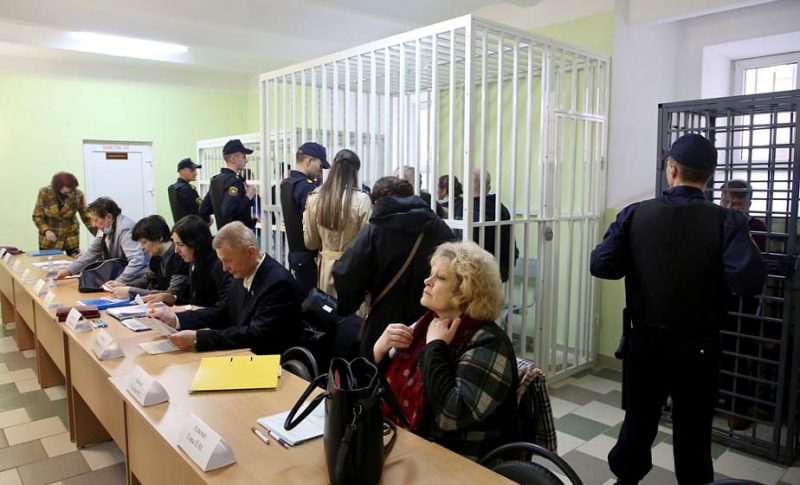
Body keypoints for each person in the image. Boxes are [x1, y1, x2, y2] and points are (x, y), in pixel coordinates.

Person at [590, 134, 766, 484]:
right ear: (710, 177)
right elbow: (748, 282)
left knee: (638, 422)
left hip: (645, 344)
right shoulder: (727, 222)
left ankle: (626, 479)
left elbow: (602, 265)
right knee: (694, 431)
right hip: (699, 348)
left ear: (672, 170)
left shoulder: (635, 214)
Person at [373, 241, 520, 461]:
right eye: (431, 274)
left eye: (440, 278)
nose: (427, 281)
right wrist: (378, 352)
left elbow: (452, 415)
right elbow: (376, 390)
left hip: (458, 462)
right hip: (404, 444)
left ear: (466, 292)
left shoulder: (489, 343)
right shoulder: (428, 324)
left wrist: (434, 349)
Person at [333, 176, 454, 355]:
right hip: (431, 320)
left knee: (377, 365)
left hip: (384, 318)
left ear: (377, 201)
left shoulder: (375, 230)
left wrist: (350, 304)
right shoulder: (438, 227)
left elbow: (347, 274)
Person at [151, 221, 304, 354]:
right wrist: (175, 319)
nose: (224, 268)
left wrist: (198, 338)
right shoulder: (243, 272)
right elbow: (222, 313)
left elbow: (256, 334)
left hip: (270, 360)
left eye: (228, 260)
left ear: (250, 252)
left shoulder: (278, 283)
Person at [718, 179, 769, 430]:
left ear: (748, 204)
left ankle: (738, 407)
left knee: (737, 354)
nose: (730, 207)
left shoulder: (756, 226)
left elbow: (752, 266)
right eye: (726, 202)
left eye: (736, 204)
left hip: (743, 302)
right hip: (715, 298)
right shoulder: (714, 222)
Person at [303, 149, 371, 296]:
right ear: (355, 172)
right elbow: (367, 244)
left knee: (327, 307)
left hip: (326, 269)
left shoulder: (315, 198)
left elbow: (311, 243)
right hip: (353, 268)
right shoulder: (362, 199)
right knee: (353, 309)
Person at [55, 197, 149, 284]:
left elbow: (137, 260)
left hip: (136, 278)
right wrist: (68, 270)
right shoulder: (105, 228)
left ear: (109, 217)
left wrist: (119, 281)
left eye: (96, 220)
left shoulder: (125, 229)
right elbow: (92, 252)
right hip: (120, 275)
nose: (93, 224)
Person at [143, 215, 231, 307]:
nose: (176, 251)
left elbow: (217, 310)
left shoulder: (218, 267)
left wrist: (184, 310)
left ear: (195, 243)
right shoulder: (194, 263)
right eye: (175, 244)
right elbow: (195, 303)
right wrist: (173, 298)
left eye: (181, 245)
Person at [452, 170, 519, 282]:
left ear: (465, 187)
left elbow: (457, 246)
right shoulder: (500, 209)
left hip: (471, 273)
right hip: (499, 269)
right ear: (489, 188)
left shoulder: (463, 210)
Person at [280, 142, 329, 294]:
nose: (321, 171)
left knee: (303, 295)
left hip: (295, 252)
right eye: (320, 165)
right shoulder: (306, 187)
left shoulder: (286, 183)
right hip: (308, 253)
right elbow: (316, 219)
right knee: (314, 300)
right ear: (309, 161)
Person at [108, 215, 189, 301]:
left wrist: (130, 291)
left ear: (159, 238)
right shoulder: (156, 257)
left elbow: (170, 294)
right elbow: (147, 279)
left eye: (144, 242)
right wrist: (124, 285)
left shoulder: (180, 256)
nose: (141, 247)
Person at [199, 139, 257, 230]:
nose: (246, 160)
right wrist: (248, 196)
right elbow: (227, 211)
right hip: (237, 234)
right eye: (243, 157)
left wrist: (219, 208)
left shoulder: (216, 180)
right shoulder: (234, 181)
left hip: (223, 233)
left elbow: (203, 209)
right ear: (233, 159)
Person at [32, 172, 94, 256]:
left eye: (72, 190)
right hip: (50, 235)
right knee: (48, 261)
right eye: (66, 192)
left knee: (74, 261)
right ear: (57, 188)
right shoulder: (45, 193)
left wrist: (97, 231)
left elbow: (86, 216)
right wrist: (46, 230)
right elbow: (37, 216)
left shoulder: (78, 195)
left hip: (70, 234)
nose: (70, 193)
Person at [168, 158, 204, 223]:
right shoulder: (187, 189)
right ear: (182, 171)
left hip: (179, 226)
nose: (196, 173)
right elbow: (202, 210)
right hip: (193, 227)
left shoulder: (172, 188)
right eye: (192, 170)